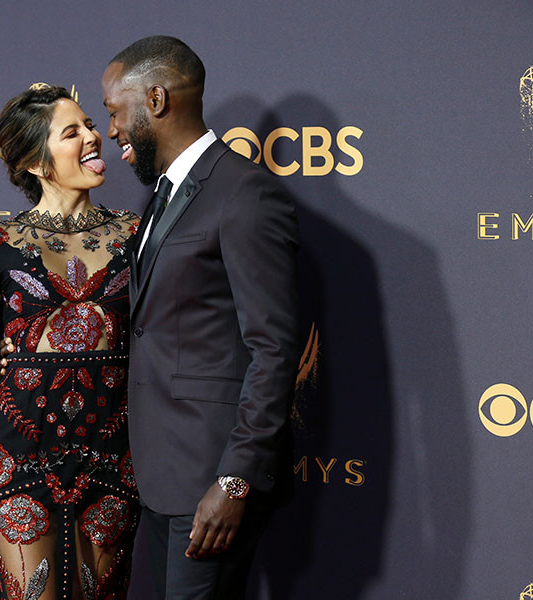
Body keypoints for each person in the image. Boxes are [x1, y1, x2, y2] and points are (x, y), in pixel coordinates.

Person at [101, 36, 300, 599]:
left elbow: (275, 349)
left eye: (116, 111)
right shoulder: (165, 195)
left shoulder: (244, 193)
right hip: (161, 478)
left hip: (214, 481)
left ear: (156, 100)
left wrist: (234, 480)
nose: (111, 129)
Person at [0, 84, 141, 600]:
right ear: (35, 161)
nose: (93, 137)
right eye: (71, 132)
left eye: (91, 125)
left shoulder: (134, 236)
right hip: (17, 452)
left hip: (112, 450)